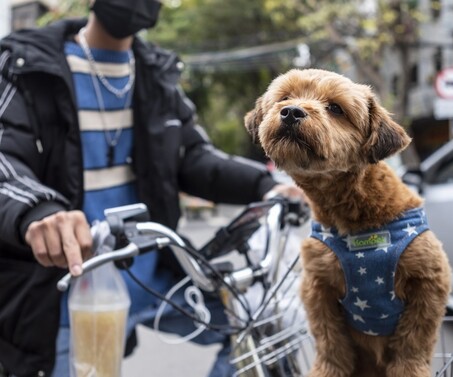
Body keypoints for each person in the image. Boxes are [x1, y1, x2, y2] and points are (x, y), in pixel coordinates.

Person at [0, 0, 302, 376]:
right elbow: (5, 159)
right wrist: (38, 210)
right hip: (65, 295)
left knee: (258, 330)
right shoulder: (28, 65)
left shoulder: (156, 74)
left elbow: (192, 156)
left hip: (156, 278)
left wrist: (267, 185)